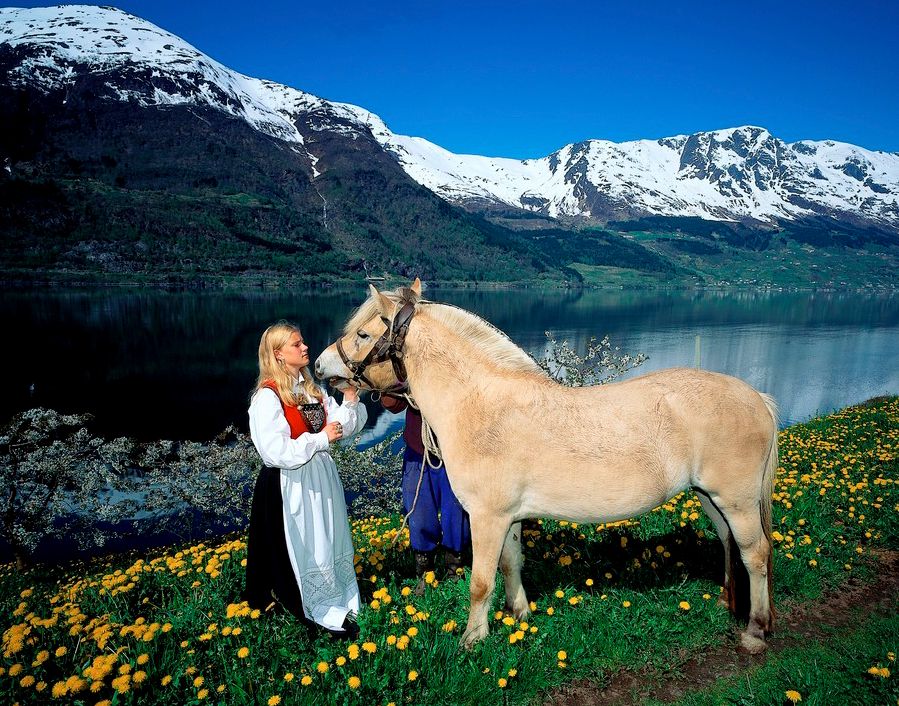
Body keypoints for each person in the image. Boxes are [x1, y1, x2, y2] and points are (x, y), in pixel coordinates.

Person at [243, 320, 367, 639]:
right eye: (297, 344)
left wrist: (351, 400)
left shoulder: (310, 390)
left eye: (302, 342)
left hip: (320, 477)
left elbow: (337, 427)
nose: (305, 347)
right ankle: (310, 602)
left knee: (328, 536)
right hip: (290, 483)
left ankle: (337, 596)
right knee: (305, 542)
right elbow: (274, 451)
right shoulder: (267, 397)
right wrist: (320, 441)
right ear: (278, 354)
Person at [381, 396, 470, 594]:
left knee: (456, 513)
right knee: (419, 514)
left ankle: (455, 568)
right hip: (418, 452)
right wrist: (387, 385)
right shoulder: (409, 366)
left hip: (454, 451)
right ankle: (425, 571)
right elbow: (393, 405)